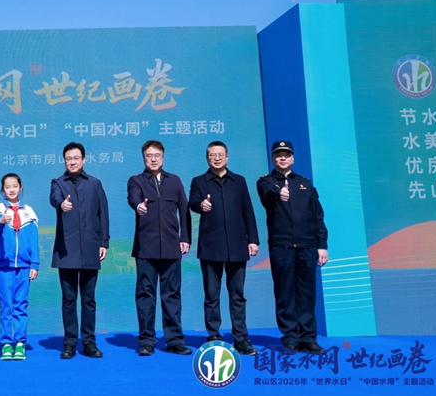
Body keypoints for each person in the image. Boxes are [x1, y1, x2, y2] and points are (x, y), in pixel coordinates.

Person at [256, 141, 329, 354]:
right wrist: (279, 193)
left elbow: (317, 216)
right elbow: (266, 193)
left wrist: (322, 245)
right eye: (278, 155)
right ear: (273, 159)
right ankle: (290, 338)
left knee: (307, 293)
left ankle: (308, 338)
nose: (282, 158)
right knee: (284, 293)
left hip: (307, 246)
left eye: (286, 155)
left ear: (293, 158)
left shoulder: (304, 183)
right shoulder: (266, 182)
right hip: (282, 246)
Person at [188, 141, 260, 355]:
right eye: (212, 155)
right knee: (212, 295)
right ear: (207, 158)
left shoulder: (239, 181)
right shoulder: (199, 181)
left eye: (220, 154)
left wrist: (253, 239)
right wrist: (201, 205)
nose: (217, 158)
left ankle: (241, 338)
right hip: (211, 247)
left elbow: (248, 211)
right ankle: (214, 336)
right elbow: (192, 202)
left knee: (237, 295)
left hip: (237, 246)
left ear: (227, 157)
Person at [126, 140, 191, 356]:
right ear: (143, 158)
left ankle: (174, 340)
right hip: (146, 248)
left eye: (157, 155)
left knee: (171, 294)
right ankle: (146, 341)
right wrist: (139, 206)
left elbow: (184, 211)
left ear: (163, 157)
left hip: (172, 247)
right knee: (145, 295)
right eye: (149, 155)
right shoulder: (136, 180)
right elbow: (133, 198)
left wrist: (185, 238)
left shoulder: (174, 181)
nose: (153, 159)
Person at [50, 141, 110, 359]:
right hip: (66, 250)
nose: (72, 162)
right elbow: (54, 199)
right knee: (68, 299)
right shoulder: (58, 183)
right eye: (68, 159)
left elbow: (103, 214)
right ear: (64, 161)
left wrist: (103, 242)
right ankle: (69, 343)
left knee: (88, 299)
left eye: (76, 158)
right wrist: (61, 205)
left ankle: (89, 342)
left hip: (90, 248)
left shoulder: (95, 184)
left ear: (84, 160)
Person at [0, 173, 39, 361]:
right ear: (3, 190)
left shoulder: (29, 212)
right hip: (4, 266)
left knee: (21, 305)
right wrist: (1, 220)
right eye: (8, 187)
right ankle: (6, 344)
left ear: (21, 188)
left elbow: (34, 241)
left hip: (24, 267)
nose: (11, 189)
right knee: (6, 306)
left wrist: (34, 264)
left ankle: (20, 343)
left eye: (15, 186)